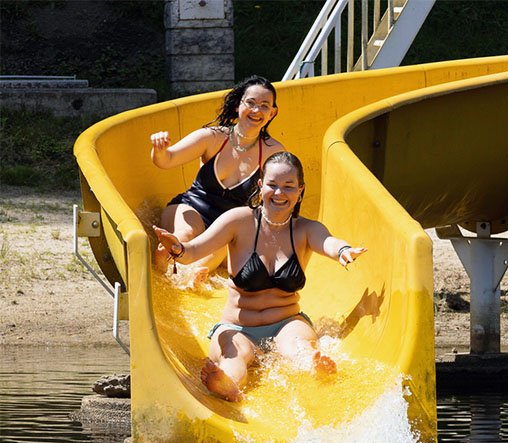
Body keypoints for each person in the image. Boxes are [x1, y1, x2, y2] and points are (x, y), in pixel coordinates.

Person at [153, 151, 367, 402]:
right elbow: (194, 250)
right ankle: (228, 384)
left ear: (300, 190)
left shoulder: (306, 230)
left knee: (297, 347)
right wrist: (177, 248)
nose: (279, 193)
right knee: (234, 355)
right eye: (272, 185)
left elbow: (328, 242)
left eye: (288, 186)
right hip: (238, 327)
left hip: (286, 322)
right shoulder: (239, 221)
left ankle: (314, 365)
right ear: (260, 185)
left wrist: (342, 250)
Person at [150, 75, 284, 283]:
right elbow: (167, 159)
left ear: (272, 113)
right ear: (239, 104)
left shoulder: (273, 152)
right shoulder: (213, 138)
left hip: (227, 225)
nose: (257, 110)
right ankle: (166, 260)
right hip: (190, 207)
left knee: (226, 240)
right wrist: (159, 149)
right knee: (186, 233)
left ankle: (190, 273)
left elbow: (283, 192)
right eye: (251, 103)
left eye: (264, 106)